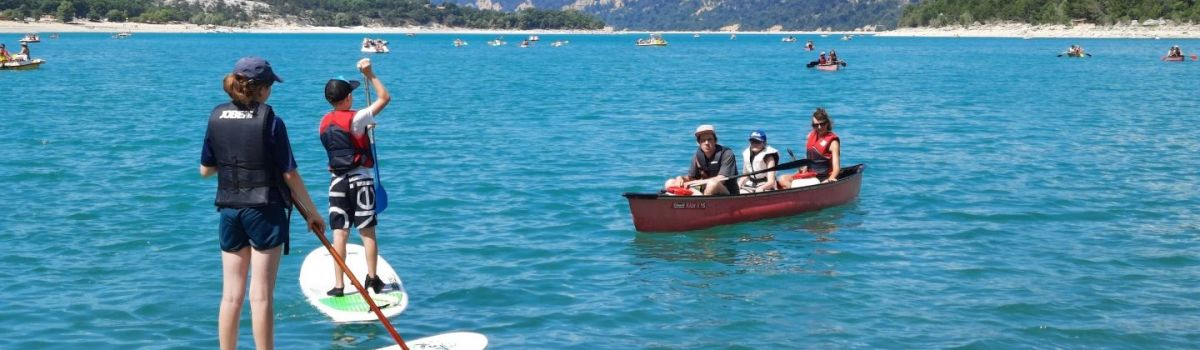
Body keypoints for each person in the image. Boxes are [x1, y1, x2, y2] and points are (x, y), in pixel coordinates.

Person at [200, 56, 325, 350]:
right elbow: (289, 174)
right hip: (265, 211)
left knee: (231, 295)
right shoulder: (271, 120)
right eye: (270, 85)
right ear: (262, 88)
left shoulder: (216, 116)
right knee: (261, 296)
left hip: (229, 211)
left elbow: (205, 171)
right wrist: (313, 213)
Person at [318, 58, 392, 297]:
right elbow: (384, 98)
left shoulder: (323, 122)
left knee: (339, 233)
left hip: (336, 182)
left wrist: (362, 131)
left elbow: (342, 140)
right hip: (360, 181)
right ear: (348, 97)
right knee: (367, 232)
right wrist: (370, 74)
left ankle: (339, 285)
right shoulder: (357, 118)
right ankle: (372, 279)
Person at [663, 124, 739, 195]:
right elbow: (691, 178)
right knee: (670, 183)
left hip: (727, 192)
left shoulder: (726, 154)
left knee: (713, 184)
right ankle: (678, 204)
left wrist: (695, 182)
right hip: (703, 188)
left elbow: (721, 179)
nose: (706, 143)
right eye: (703, 140)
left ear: (715, 140)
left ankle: (702, 205)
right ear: (698, 143)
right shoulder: (697, 156)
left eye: (709, 139)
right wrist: (680, 178)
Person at [779, 108, 842, 188]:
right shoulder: (810, 136)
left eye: (822, 124)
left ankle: (797, 195)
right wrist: (804, 168)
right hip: (809, 174)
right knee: (783, 179)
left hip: (822, 177)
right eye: (815, 125)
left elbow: (836, 168)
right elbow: (810, 159)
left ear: (827, 123)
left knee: (791, 184)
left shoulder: (833, 143)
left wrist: (831, 178)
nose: (819, 127)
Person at [738, 129, 779, 193]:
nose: (754, 144)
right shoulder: (747, 154)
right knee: (740, 192)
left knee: (759, 192)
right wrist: (740, 182)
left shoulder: (769, 157)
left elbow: (771, 181)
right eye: (752, 141)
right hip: (751, 184)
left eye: (758, 142)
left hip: (765, 184)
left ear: (764, 143)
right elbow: (745, 175)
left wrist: (762, 187)